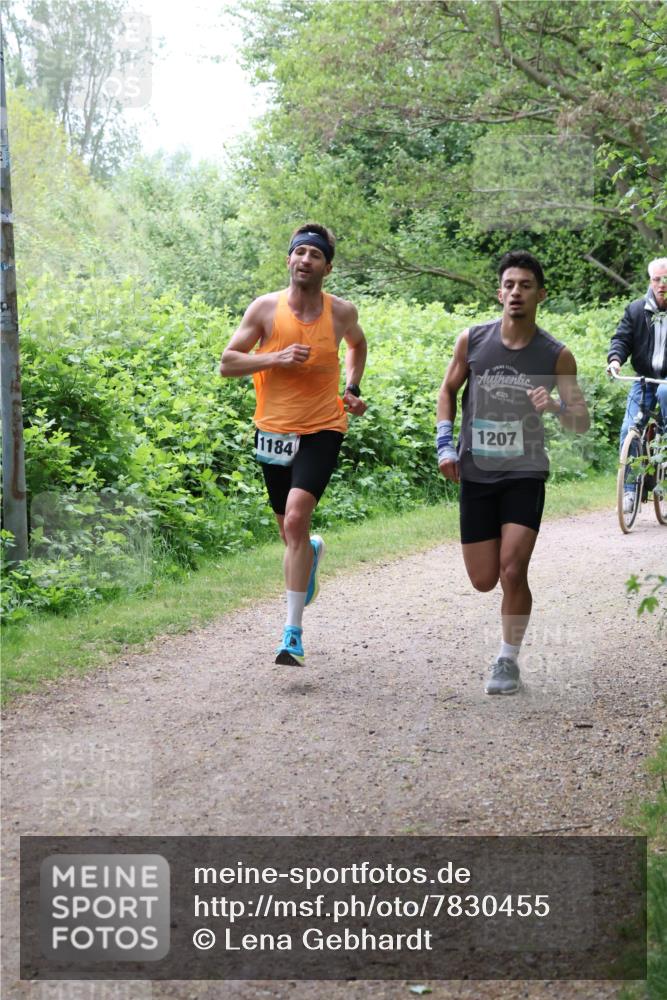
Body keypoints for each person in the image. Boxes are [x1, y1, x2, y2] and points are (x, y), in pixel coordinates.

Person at [436, 250, 590, 695]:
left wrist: (557, 406)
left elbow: (580, 422)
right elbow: (447, 390)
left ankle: (507, 660)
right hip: (476, 472)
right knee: (484, 579)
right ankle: (507, 647)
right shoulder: (473, 340)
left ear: (541, 294)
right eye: (509, 285)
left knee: (512, 570)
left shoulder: (556, 355)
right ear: (499, 292)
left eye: (525, 285)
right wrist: (445, 444)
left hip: (525, 473)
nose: (516, 292)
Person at [220, 223, 367, 666]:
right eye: (299, 252)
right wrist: (276, 357)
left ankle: (292, 634)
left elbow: (358, 345)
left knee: (298, 516)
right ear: (289, 260)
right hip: (273, 431)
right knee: (291, 531)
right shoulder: (264, 309)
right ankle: (312, 553)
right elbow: (228, 363)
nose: (305, 260)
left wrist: (353, 387)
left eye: (315, 255)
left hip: (323, 427)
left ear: (327, 266)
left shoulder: (341, 312)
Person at [607, 257, 667, 512]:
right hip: (643, 380)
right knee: (627, 431)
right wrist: (615, 361)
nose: (662, 285)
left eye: (666, 280)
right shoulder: (636, 310)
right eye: (657, 279)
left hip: (666, 383)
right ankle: (630, 492)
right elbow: (621, 339)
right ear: (650, 281)